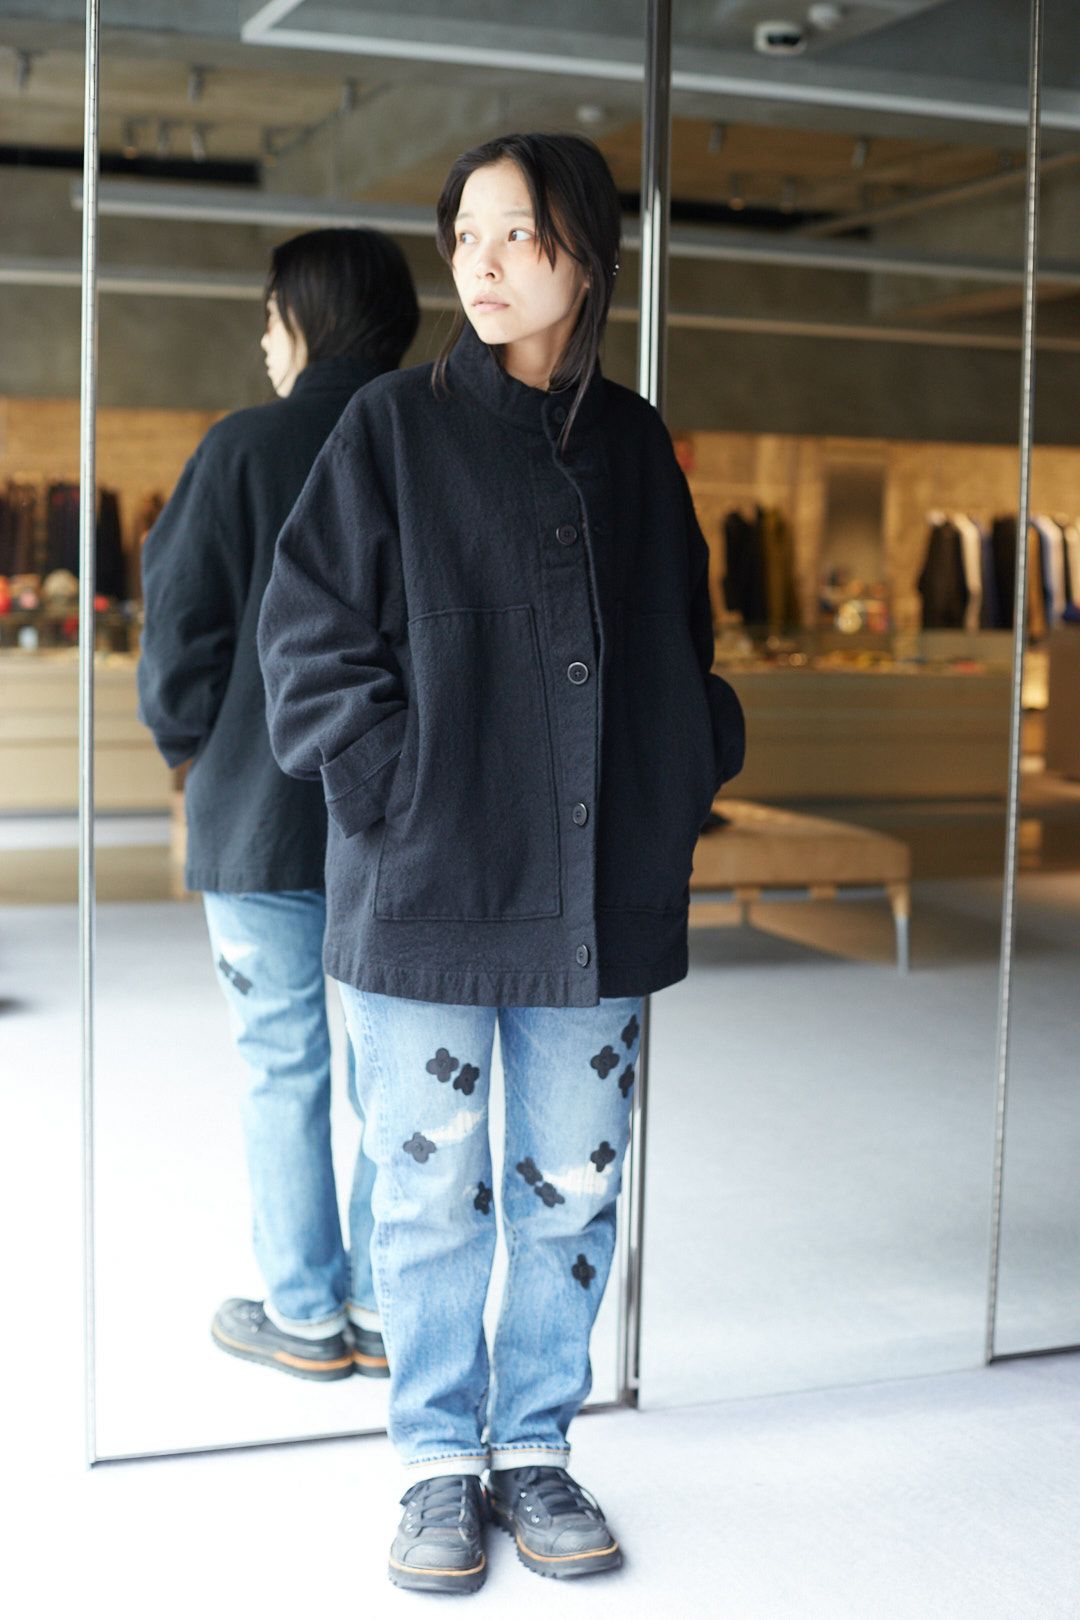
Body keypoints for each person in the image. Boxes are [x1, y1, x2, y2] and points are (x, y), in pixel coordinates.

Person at [258, 135, 745, 1589]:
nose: (480, 263)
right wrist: (393, 792)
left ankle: (533, 1444)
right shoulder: (391, 429)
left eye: (516, 235)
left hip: (593, 900)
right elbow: (307, 640)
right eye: (465, 234)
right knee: (425, 1195)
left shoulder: (636, 445)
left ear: (584, 257)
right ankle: (432, 1463)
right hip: (424, 892)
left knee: (572, 1185)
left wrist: (688, 772)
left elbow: (682, 649)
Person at [138, 228, 419, 1383]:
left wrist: (190, 751)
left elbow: (179, 628)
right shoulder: (432, 445)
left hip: (256, 815)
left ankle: (302, 1313)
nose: (263, 340)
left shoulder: (243, 447)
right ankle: (384, 1306)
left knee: (280, 1062)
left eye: (268, 315)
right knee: (397, 1070)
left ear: (305, 316)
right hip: (401, 818)